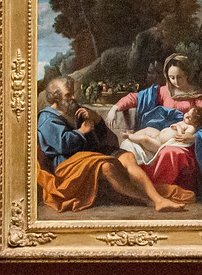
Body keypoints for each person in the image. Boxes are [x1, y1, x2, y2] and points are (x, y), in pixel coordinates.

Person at [36, 76, 188, 212]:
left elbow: (104, 139)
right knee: (107, 166)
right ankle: (148, 200)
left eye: (72, 93)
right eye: (68, 95)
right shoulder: (47, 119)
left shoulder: (75, 109)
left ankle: (158, 200)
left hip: (88, 154)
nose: (73, 97)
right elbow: (63, 146)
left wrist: (96, 119)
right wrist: (81, 132)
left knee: (127, 157)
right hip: (67, 165)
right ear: (55, 98)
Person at [111, 53, 202, 198]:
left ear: (187, 75)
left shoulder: (198, 96)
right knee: (130, 144)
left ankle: (158, 190)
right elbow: (136, 98)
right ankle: (138, 186)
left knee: (169, 153)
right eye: (171, 77)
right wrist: (116, 107)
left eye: (180, 77)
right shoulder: (163, 91)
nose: (175, 81)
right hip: (161, 136)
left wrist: (194, 136)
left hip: (184, 143)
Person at [118, 105, 202, 166]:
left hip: (160, 143)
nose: (186, 116)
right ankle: (133, 136)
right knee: (148, 129)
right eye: (187, 113)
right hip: (158, 135)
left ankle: (129, 136)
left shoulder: (191, 127)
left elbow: (182, 137)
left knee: (145, 139)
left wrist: (178, 127)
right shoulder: (184, 122)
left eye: (189, 117)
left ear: (196, 123)